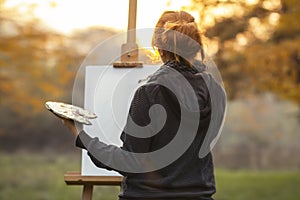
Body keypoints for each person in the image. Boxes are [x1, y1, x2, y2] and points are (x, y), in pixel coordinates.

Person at [61, 10, 221, 200]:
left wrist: (79, 133)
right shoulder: (214, 90)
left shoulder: (149, 93)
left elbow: (131, 162)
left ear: (158, 46)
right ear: (196, 45)